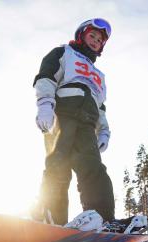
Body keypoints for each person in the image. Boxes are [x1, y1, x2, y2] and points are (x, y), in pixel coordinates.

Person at [32, 18, 114, 226]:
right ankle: (50, 217)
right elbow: (47, 76)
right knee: (58, 165)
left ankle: (101, 219)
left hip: (87, 123)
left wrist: (103, 131)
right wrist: (45, 104)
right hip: (62, 115)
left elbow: (100, 105)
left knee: (93, 169)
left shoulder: (98, 75)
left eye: (100, 40)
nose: (96, 41)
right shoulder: (64, 53)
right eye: (92, 36)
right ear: (81, 34)